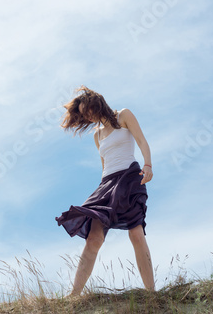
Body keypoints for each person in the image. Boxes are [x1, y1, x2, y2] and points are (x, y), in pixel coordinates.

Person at [55, 85, 155, 297]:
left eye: (88, 110)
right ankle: (74, 294)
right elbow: (104, 167)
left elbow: (141, 140)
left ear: (97, 103)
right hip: (106, 185)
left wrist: (148, 165)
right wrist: (102, 192)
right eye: (84, 115)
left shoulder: (124, 115)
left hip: (129, 178)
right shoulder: (97, 135)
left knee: (136, 234)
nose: (88, 116)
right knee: (94, 239)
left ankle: (152, 293)